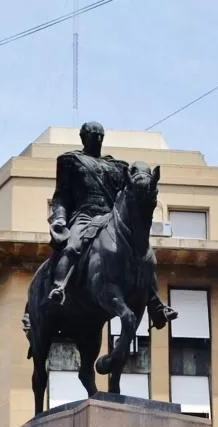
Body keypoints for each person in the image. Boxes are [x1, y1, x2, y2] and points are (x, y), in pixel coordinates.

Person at [47, 121, 177, 329]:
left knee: (144, 255)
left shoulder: (117, 166)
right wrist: (60, 218)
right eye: (92, 135)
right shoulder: (70, 161)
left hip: (111, 216)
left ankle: (155, 304)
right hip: (84, 215)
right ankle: (59, 287)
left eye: (100, 135)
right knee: (72, 246)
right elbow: (61, 195)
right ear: (83, 137)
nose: (97, 139)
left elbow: (129, 194)